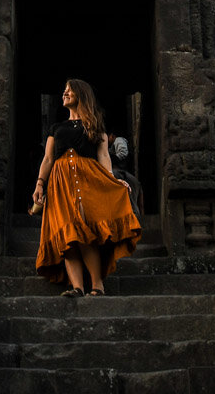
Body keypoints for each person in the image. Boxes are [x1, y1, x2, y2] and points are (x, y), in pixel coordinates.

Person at [31, 79, 142, 296]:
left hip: (89, 181)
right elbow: (47, 159)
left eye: (69, 90)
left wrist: (113, 180)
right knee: (66, 235)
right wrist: (39, 184)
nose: (64, 93)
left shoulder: (96, 126)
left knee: (84, 231)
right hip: (60, 183)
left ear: (81, 94)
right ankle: (78, 287)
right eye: (64, 90)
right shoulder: (57, 128)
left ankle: (97, 284)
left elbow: (103, 157)